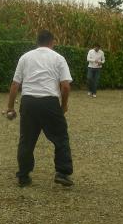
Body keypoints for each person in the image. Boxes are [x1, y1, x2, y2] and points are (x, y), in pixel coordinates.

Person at [7, 30, 74, 187]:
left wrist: (10, 107)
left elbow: (15, 84)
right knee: (61, 137)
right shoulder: (58, 58)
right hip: (49, 102)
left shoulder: (25, 57)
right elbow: (65, 86)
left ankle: (23, 176)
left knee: (26, 140)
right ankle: (62, 173)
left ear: (37, 42)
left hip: (29, 102)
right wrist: (63, 105)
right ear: (52, 42)